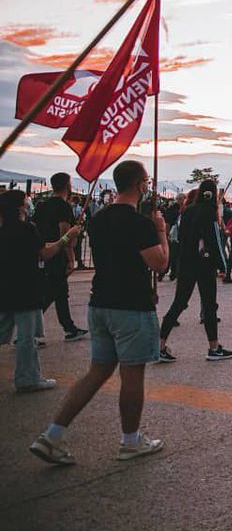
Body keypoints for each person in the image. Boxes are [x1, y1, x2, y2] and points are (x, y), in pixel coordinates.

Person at [29, 160, 168, 465]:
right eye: (146, 181)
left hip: (99, 302)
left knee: (97, 371)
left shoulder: (100, 219)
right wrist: (161, 233)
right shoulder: (140, 223)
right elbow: (159, 263)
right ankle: (130, 441)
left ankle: (52, 434)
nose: (148, 186)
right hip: (130, 306)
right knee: (132, 374)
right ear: (139, 185)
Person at [2, 190, 81, 392]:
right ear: (20, 206)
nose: (29, 203)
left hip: (5, 286)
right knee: (27, 338)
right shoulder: (27, 229)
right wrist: (67, 238)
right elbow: (44, 252)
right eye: (26, 200)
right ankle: (28, 378)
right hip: (26, 287)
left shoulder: (5, 229)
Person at [159, 179, 232, 362]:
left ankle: (160, 344)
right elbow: (215, 241)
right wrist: (223, 266)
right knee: (209, 305)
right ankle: (213, 347)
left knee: (179, 303)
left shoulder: (188, 211)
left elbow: (182, 237)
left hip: (186, 262)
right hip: (204, 264)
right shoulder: (210, 212)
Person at [34, 172, 87, 341]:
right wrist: (71, 258)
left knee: (59, 291)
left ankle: (69, 327)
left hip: (43, 250)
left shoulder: (43, 205)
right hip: (57, 254)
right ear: (67, 186)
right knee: (51, 292)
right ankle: (28, 329)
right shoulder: (63, 207)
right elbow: (64, 235)